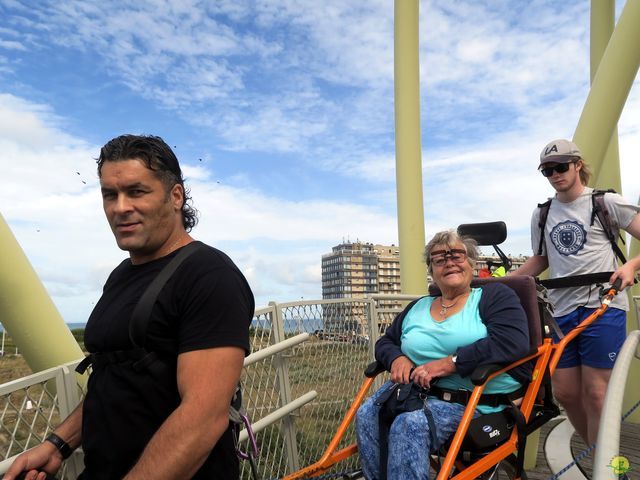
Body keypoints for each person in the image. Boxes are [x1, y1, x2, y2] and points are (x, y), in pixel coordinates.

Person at [5, 135, 254, 480]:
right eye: (110, 194)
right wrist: (57, 445)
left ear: (176, 196)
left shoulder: (210, 277)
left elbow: (202, 419)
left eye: (136, 192)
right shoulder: (122, 276)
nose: (120, 207)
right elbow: (113, 377)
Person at [355, 230, 531, 480]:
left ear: (471, 263)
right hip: (419, 394)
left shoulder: (494, 297)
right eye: (439, 259)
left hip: (477, 400)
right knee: (367, 414)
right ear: (432, 270)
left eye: (458, 255)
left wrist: (452, 363)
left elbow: (513, 342)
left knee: (409, 425)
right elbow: (386, 342)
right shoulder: (418, 307)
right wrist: (396, 358)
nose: (449, 262)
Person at [512, 138, 640, 445]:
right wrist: (500, 285)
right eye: (548, 171)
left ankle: (605, 468)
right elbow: (541, 260)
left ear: (578, 165)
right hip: (561, 311)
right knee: (567, 393)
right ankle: (599, 455)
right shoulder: (542, 214)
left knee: (597, 394)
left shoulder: (606, 202)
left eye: (561, 167)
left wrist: (632, 267)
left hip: (603, 306)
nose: (555, 174)